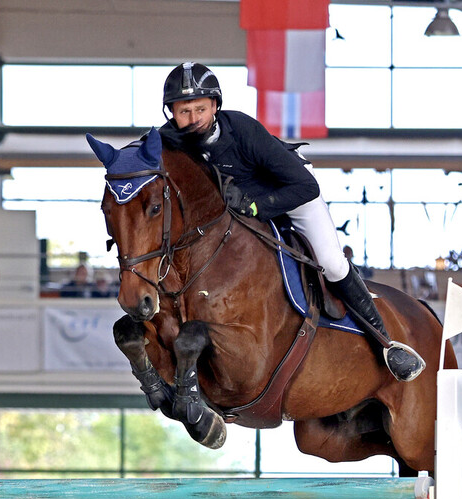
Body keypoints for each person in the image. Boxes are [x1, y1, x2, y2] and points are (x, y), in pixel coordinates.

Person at [157, 62, 422, 381]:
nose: (193, 118)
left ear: (215, 105)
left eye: (200, 108)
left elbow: (307, 188)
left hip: (288, 193)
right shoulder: (167, 142)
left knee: (332, 263)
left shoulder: (241, 129)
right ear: (171, 112)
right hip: (234, 211)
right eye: (183, 111)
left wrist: (255, 207)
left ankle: (385, 344)